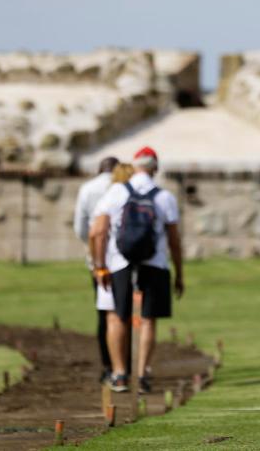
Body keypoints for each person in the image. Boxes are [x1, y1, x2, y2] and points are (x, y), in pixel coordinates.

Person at [89, 146, 184, 394]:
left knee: (118, 315)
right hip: (154, 261)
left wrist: (99, 266)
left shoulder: (117, 192)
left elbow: (98, 232)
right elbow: (174, 240)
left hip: (120, 261)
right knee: (148, 319)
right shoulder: (164, 197)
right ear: (155, 168)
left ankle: (120, 374)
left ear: (134, 165)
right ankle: (142, 374)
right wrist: (180, 273)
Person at [73, 155, 119, 383]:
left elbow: (81, 228)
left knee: (105, 313)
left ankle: (108, 366)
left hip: (99, 262)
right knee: (126, 314)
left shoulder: (88, 189)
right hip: (124, 258)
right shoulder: (123, 187)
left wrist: (93, 251)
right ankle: (125, 366)